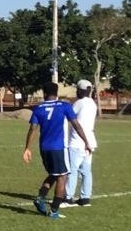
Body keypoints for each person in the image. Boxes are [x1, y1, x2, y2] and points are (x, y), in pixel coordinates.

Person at [23, 81, 92, 219]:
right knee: (63, 176)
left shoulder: (38, 108)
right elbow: (77, 125)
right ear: (56, 93)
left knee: (54, 174)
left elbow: (32, 129)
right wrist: (86, 141)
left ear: (44, 93)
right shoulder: (64, 106)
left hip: (44, 148)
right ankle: (54, 210)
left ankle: (40, 197)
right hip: (59, 148)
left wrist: (27, 148)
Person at [62, 79, 99, 208]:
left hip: (77, 141)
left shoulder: (79, 103)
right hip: (90, 141)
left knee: (72, 170)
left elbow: (68, 116)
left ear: (81, 90)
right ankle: (85, 198)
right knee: (86, 171)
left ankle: (68, 198)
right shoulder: (93, 103)